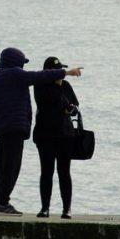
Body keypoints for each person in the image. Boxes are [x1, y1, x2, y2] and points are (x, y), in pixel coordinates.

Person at [0, 47, 82, 215]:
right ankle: (4, 204)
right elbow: (39, 77)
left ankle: (3, 203)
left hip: (2, 128)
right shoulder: (15, 74)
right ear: (15, 61)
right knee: (12, 167)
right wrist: (67, 72)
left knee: (2, 167)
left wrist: (2, 118)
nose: (22, 66)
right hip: (18, 129)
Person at [32, 56, 79, 219]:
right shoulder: (40, 86)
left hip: (65, 135)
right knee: (46, 171)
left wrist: (70, 108)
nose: (61, 75)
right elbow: (51, 103)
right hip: (45, 135)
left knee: (64, 172)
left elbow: (74, 106)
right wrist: (64, 105)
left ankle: (67, 209)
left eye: (61, 71)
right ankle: (45, 208)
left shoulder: (65, 86)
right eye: (57, 71)